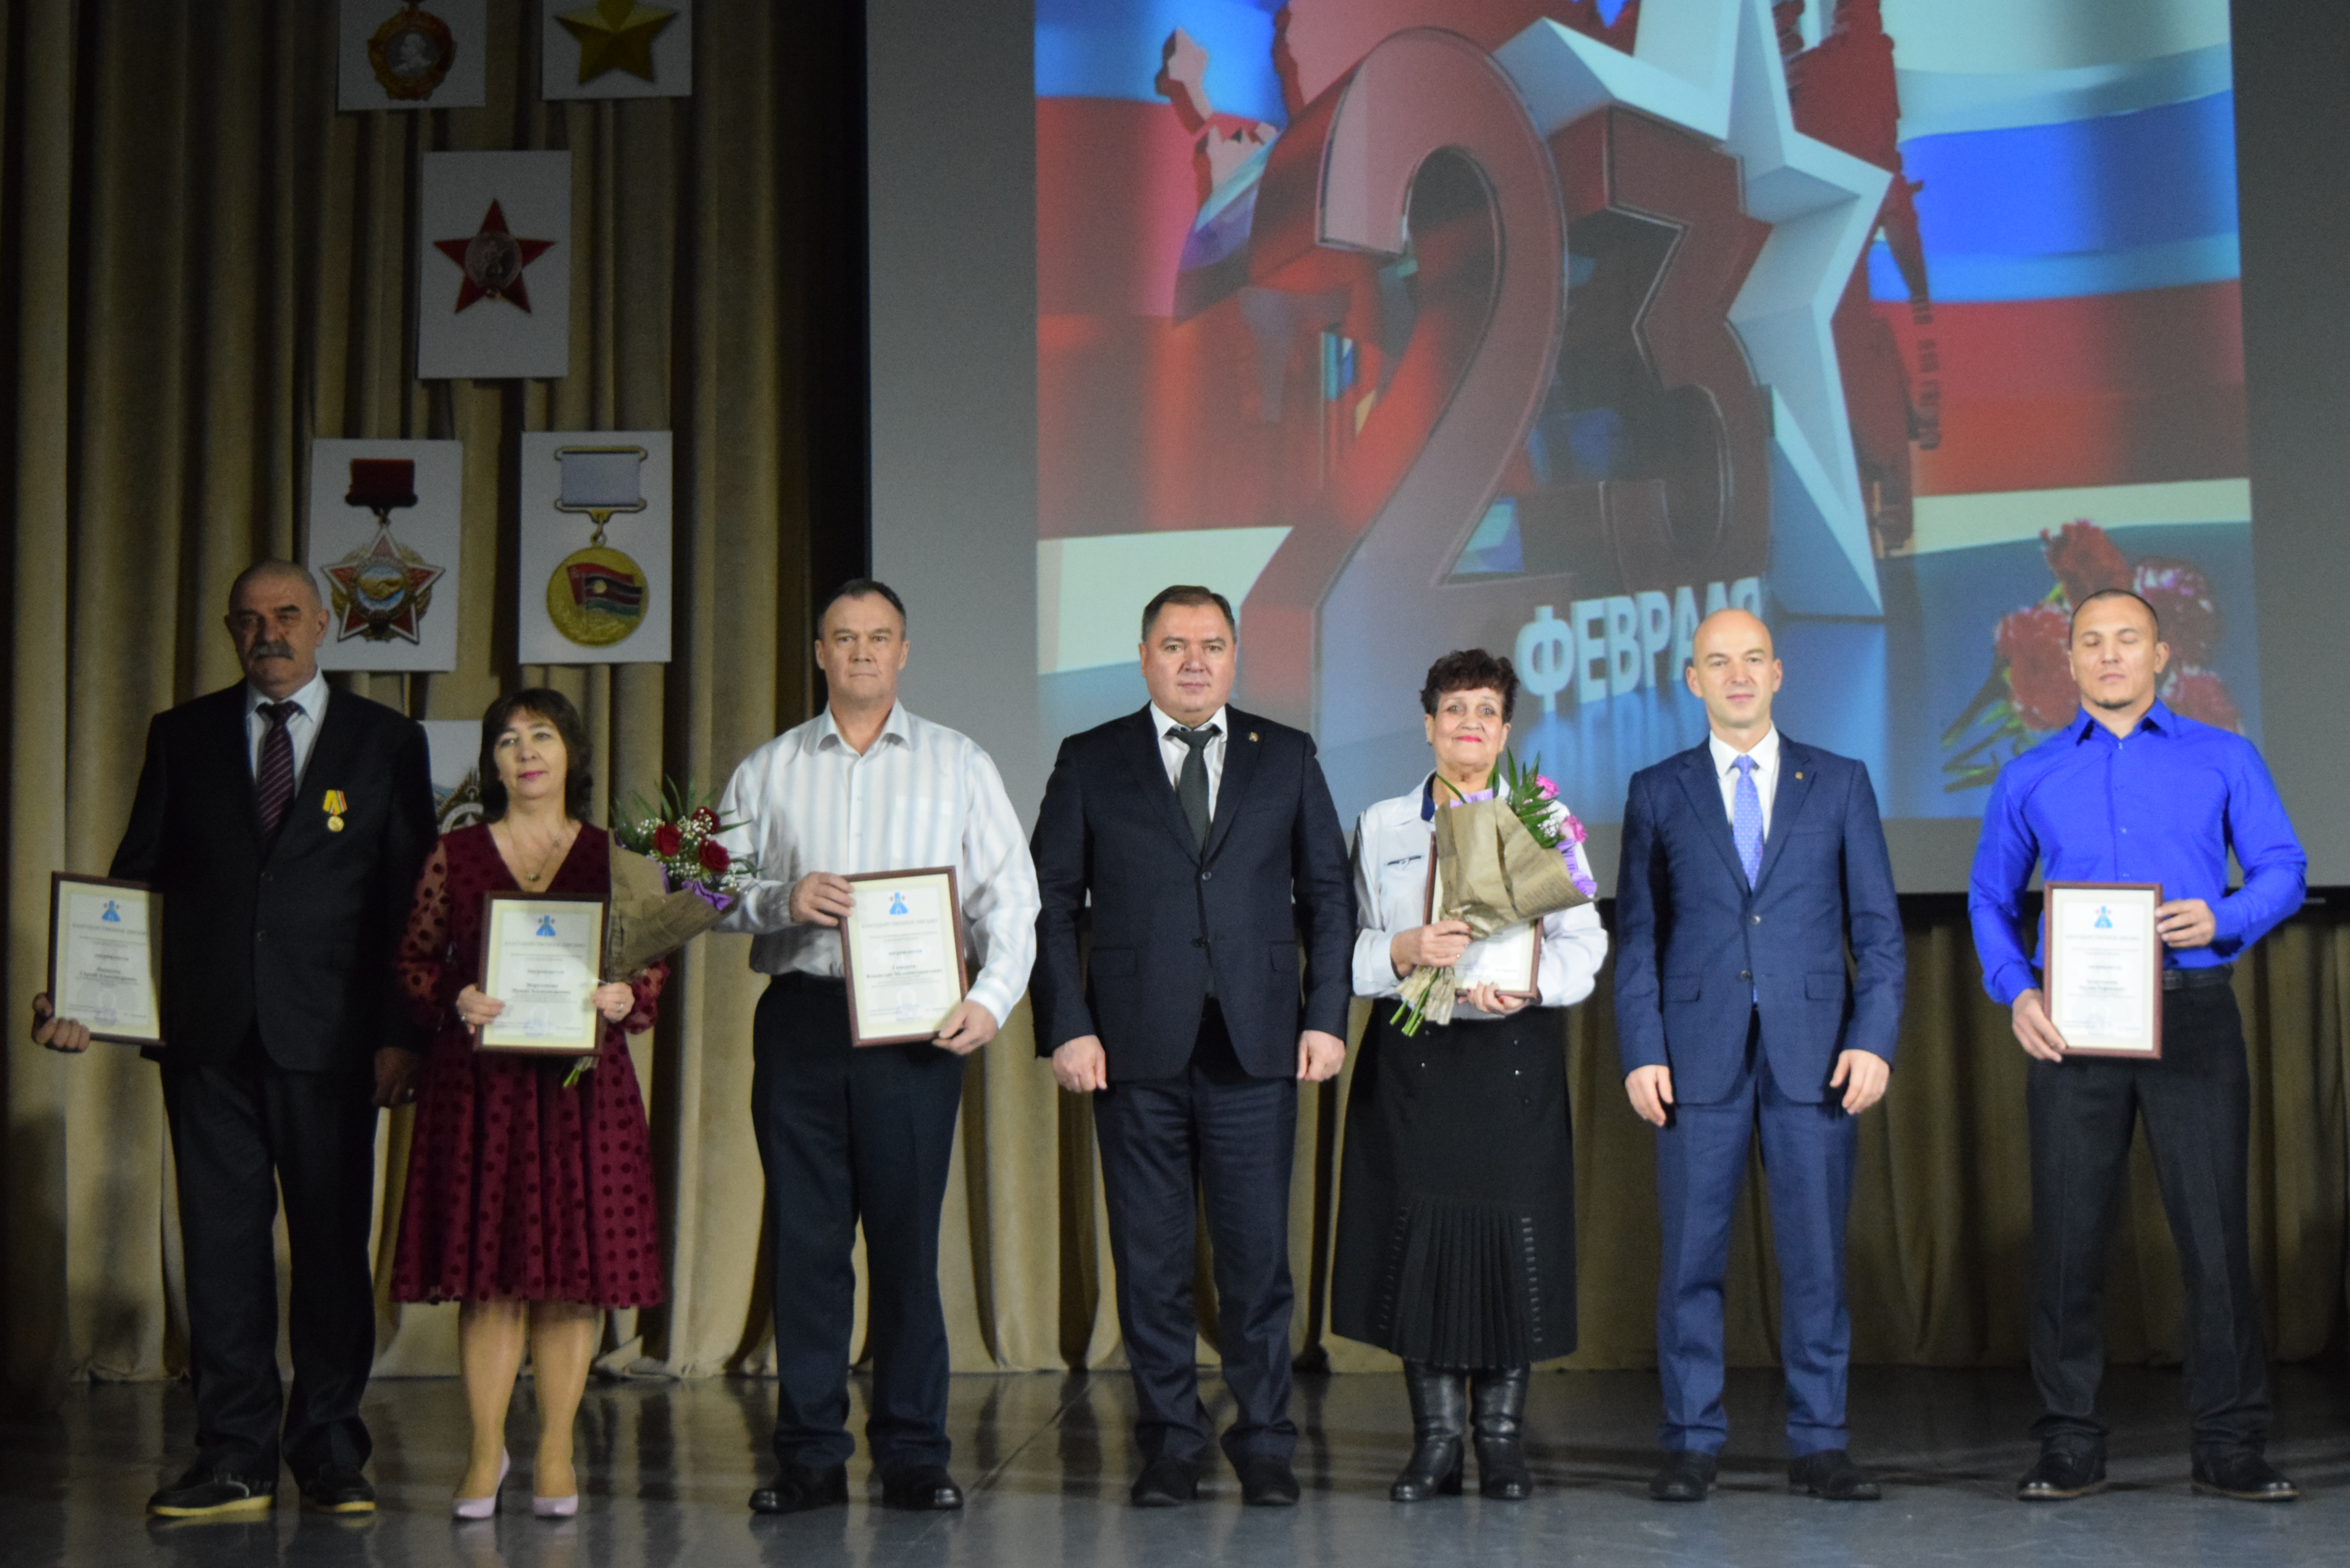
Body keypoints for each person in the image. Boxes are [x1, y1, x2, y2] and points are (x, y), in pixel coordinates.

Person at [30, 560, 435, 1518]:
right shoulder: (183, 734)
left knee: (331, 1252)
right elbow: (139, 877)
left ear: (323, 623)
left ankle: (329, 1453)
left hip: (334, 1044)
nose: (269, 634)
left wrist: (401, 1034)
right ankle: (234, 1457)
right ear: (230, 632)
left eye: (287, 615)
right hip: (207, 1040)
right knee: (220, 1255)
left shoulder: (387, 740)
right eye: (250, 621)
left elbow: (410, 901)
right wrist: (84, 989)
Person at [1968, 588, 2306, 1504]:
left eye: (2128, 640)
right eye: (2092, 641)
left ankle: (2229, 1443)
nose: (2110, 655)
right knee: (2069, 1241)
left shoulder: (2224, 757)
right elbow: (1990, 899)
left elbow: (2284, 867)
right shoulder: (2030, 774)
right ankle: (2069, 1443)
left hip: (2191, 1013)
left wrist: (2224, 915)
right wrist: (2017, 989)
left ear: (2161, 655)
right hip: (2073, 1026)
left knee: (2214, 1237)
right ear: (2070, 660)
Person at [715, 579, 1039, 1515]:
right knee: (807, 1246)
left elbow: (1012, 899)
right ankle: (810, 1459)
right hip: (803, 1021)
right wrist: (778, 899)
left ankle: (913, 1455)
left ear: (905, 652)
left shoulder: (959, 762)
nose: (862, 652)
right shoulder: (766, 768)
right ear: (820, 652)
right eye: (845, 637)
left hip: (915, 1034)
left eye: (880, 637)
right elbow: (702, 891)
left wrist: (991, 1001)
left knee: (905, 1249)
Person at [1030, 584, 1354, 1508]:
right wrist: (1069, 1024)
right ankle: (1171, 1443)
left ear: (1235, 655)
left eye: (1212, 644)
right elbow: (1049, 904)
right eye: (1175, 645)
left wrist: (1326, 1015)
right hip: (1132, 1051)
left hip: (1258, 1047)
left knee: (1257, 1264)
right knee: (1152, 1263)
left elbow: (1329, 896)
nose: (1195, 661)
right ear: (1144, 658)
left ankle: (1265, 1442)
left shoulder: (1285, 754)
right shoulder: (1091, 758)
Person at [1614, 607, 1904, 1504]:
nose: (1736, 675)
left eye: (1752, 660)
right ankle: (1691, 1440)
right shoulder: (1657, 790)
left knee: (1816, 1262)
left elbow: (1879, 932)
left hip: (1816, 1059)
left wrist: (1873, 1039)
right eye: (1717, 662)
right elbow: (1638, 935)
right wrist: (1641, 1047)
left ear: (1778, 672)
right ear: (1692, 679)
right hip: (1693, 1058)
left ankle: (1821, 1443)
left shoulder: (1842, 781)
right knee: (1690, 1265)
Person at [1333, 650, 1608, 1502]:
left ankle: (1502, 1444)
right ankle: (1438, 1445)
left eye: (1486, 711)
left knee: (1510, 1257)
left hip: (1513, 1061)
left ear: (1506, 729)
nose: (1470, 725)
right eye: (1455, 710)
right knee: (1421, 1253)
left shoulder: (1545, 821)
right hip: (1415, 1059)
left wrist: (1533, 986)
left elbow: (1584, 943)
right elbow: (1347, 948)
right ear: (1428, 724)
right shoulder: (1383, 824)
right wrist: (1404, 950)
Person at [389, 689, 669, 1518]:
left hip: (583, 1093)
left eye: (541, 736)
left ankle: (553, 1451)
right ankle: (486, 1450)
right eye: (508, 741)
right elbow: (412, 962)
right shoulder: (456, 853)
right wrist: (455, 996)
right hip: (482, 1093)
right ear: (493, 762)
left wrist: (628, 995)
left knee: (571, 1280)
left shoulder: (615, 856)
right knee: (491, 1281)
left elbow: (650, 970)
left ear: (571, 752)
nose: (526, 752)